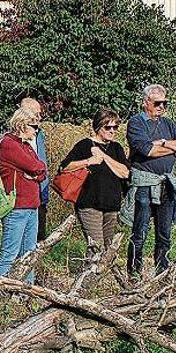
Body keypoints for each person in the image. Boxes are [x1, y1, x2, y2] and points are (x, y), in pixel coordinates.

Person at [124, 84, 176, 276]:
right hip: (145, 183)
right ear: (147, 103)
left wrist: (164, 143)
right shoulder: (136, 123)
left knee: (164, 233)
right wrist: (173, 148)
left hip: (166, 184)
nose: (161, 107)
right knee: (140, 232)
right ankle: (134, 275)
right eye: (157, 103)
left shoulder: (168, 124)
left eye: (164, 103)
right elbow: (147, 150)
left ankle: (162, 273)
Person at [59, 109, 130, 258]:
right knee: (96, 247)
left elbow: (125, 172)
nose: (112, 131)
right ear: (98, 127)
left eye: (115, 127)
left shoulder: (116, 148)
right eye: (108, 127)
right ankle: (87, 280)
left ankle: (102, 279)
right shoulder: (85, 145)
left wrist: (103, 157)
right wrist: (88, 161)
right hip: (89, 203)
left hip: (112, 205)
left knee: (109, 249)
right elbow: (65, 166)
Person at [0, 107, 47, 280]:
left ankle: (26, 293)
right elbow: (35, 166)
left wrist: (35, 173)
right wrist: (34, 172)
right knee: (9, 254)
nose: (36, 130)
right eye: (34, 126)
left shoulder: (26, 146)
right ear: (22, 125)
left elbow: (43, 169)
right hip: (16, 207)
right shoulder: (9, 144)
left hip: (32, 205)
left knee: (29, 254)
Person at [19, 98, 50, 240]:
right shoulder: (13, 139)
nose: (39, 118)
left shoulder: (40, 135)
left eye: (39, 114)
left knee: (39, 235)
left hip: (40, 191)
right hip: (23, 196)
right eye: (36, 114)